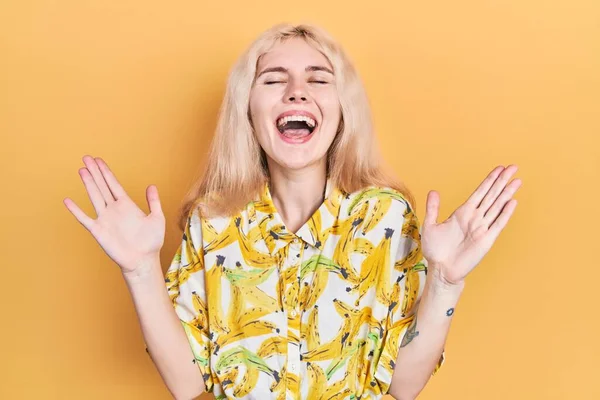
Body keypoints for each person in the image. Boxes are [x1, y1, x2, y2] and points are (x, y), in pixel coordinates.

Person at [64, 23, 521, 400]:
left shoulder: (386, 218)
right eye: (274, 79)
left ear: (342, 111)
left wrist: (445, 283)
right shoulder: (213, 220)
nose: (297, 92)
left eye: (319, 79)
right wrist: (141, 270)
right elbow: (186, 384)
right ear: (248, 109)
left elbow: (403, 384)